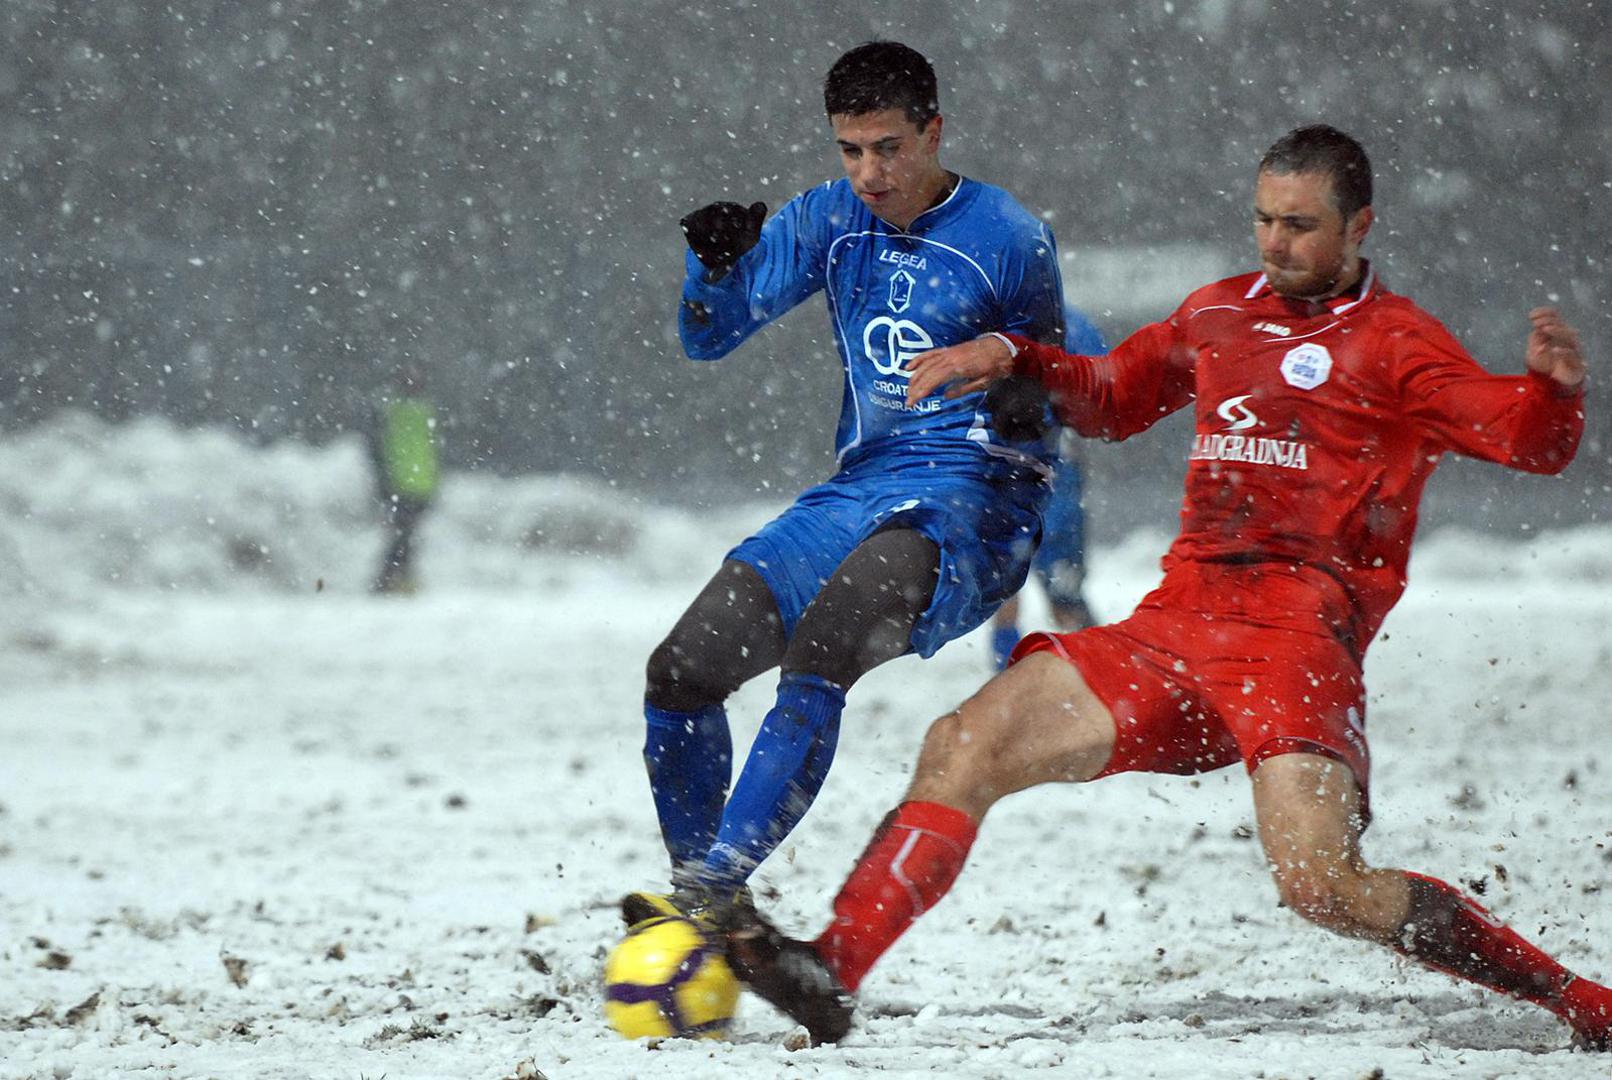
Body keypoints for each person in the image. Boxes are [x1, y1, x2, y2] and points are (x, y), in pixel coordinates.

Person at [723, 124, 1611, 1051]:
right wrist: (1020, 361)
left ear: (1360, 228)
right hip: (1177, 624)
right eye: (1265, 220)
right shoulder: (1219, 315)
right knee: (962, 742)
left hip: (1296, 646)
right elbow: (1114, 397)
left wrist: (1553, 395)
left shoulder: (1397, 342)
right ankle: (832, 970)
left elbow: (1530, 443)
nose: (1276, 242)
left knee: (1322, 887)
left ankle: (1576, 997)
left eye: (1301, 225)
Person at [627, 41, 1068, 924]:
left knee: (820, 651)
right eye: (850, 149)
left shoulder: (1009, 237)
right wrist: (710, 270)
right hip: (863, 488)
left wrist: (1027, 395)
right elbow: (709, 339)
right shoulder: (831, 219)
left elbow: (1058, 380)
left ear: (934, 132)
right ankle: (711, 905)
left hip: (971, 508)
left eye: (889, 148)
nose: (868, 173)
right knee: (679, 671)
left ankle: (709, 891)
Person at [987, 305, 1107, 669]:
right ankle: (1083, 672)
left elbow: (1102, 388)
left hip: (1033, 468)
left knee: (1041, 588)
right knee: (1013, 588)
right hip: (1018, 467)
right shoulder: (996, 323)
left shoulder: (998, 321)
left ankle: (1090, 671)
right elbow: (1103, 391)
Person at [365, 367, 440, 594]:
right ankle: (394, 578)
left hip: (410, 484)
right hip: (411, 484)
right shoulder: (421, 412)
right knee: (404, 536)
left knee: (403, 536)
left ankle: (393, 578)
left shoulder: (393, 411)